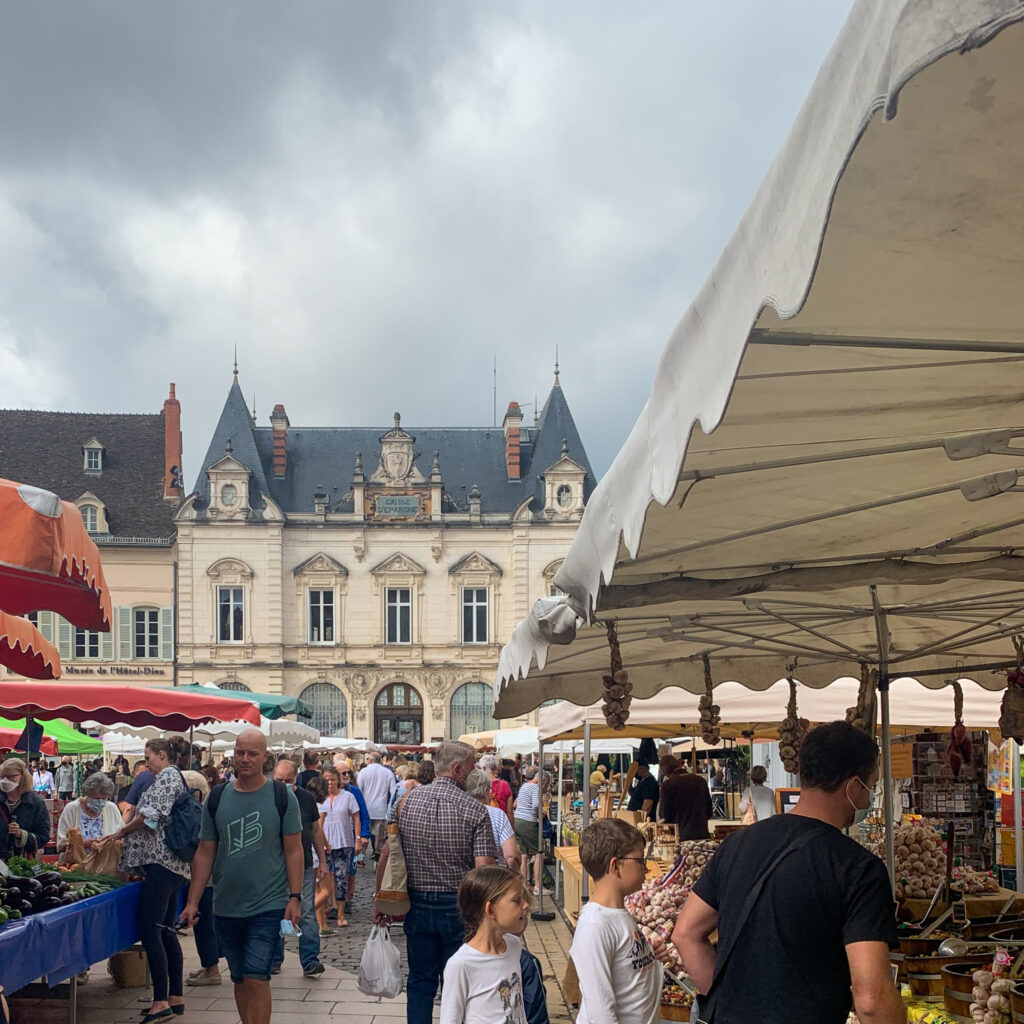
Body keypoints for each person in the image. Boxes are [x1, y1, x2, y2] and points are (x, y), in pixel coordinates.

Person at [671, 721, 903, 1024]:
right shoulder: (858, 868)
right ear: (853, 786)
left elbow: (685, 934)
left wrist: (727, 1001)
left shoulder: (736, 844)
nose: (867, 799)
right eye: (870, 787)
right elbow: (872, 1000)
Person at [180, 728, 303, 1024]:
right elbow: (205, 853)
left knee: (256, 976)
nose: (244, 759)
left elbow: (294, 851)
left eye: (252, 753)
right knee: (239, 978)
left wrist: (295, 897)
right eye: (240, 752)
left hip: (268, 903)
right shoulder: (218, 797)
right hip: (226, 904)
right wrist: (193, 901)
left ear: (265, 757)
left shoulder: (281, 796)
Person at [374, 740, 497, 1024]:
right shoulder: (476, 811)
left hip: (416, 903)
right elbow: (483, 869)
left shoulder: (406, 801)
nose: (473, 772)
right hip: (459, 907)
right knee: (459, 983)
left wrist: (380, 899)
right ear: (456, 770)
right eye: (471, 767)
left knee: (420, 980)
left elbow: (386, 854)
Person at [98, 736, 192, 1023]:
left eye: (148, 756)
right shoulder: (171, 776)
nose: (146, 762)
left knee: (151, 929)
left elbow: (150, 816)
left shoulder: (166, 776)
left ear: (162, 755)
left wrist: (120, 832)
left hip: (162, 863)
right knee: (165, 930)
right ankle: (174, 997)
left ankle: (160, 1001)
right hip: (171, 865)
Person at [570, 818, 665, 1024]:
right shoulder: (594, 926)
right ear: (615, 866)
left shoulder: (617, 914)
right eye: (640, 861)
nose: (646, 868)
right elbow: (600, 1011)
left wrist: (653, 958)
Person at [440, 865, 533, 1024]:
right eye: (517, 900)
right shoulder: (461, 965)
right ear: (490, 910)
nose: (525, 905)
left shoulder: (514, 946)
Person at [271, 759, 328, 978]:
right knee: (275, 910)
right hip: (274, 864)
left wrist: (322, 861)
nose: (283, 783)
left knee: (306, 912)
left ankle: (310, 960)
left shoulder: (305, 798)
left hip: (302, 863)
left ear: (296, 778)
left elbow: (315, 831)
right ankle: (274, 958)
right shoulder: (268, 796)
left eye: (288, 780)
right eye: (279, 780)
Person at [317, 766, 360, 929]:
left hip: (344, 843)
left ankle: (340, 914)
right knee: (323, 880)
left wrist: (357, 839)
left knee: (341, 879)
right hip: (323, 845)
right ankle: (324, 909)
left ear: (338, 780)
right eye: (327, 779)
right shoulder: (319, 798)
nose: (330, 783)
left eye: (333, 779)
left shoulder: (348, 797)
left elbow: (356, 819)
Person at [467, 768, 521, 872]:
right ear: (486, 792)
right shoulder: (497, 814)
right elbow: (511, 856)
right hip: (495, 878)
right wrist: (514, 876)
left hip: (466, 880)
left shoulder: (457, 812)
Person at [56, 771, 121, 857]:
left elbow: (121, 836)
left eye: (104, 799)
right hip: (76, 864)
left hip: (105, 864)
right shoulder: (72, 809)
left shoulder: (111, 808)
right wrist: (82, 843)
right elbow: (61, 845)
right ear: (87, 794)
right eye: (96, 799)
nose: (100, 802)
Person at [339, 764, 373, 914]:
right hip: (335, 837)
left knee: (351, 869)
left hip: (352, 837)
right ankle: (336, 901)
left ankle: (347, 898)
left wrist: (364, 835)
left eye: (348, 772)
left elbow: (363, 814)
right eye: (343, 773)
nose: (346, 775)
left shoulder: (355, 792)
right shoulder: (326, 792)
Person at [0, 758, 52, 855]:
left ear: (22, 777)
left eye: (11, 777)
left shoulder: (36, 803)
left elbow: (43, 837)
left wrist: (22, 835)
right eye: (2, 777)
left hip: (23, 862)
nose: (5, 780)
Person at [659, 755, 713, 841]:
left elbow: (664, 815)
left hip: (680, 836)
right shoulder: (700, 781)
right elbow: (709, 810)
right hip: (702, 834)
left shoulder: (667, 785)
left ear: (664, 771)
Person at [513, 766, 546, 896]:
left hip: (518, 820)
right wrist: (540, 814)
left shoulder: (524, 786)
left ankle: (524, 884)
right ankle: (538, 886)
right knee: (540, 852)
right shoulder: (535, 787)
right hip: (528, 821)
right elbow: (536, 805)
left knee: (523, 854)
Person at [357, 751, 397, 853]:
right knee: (379, 838)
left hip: (365, 809)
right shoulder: (388, 773)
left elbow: (359, 791)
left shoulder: (363, 772)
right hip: (381, 809)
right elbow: (393, 792)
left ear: (370, 760)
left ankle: (361, 857)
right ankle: (377, 860)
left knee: (363, 835)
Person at [479, 754, 514, 825]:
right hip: (501, 823)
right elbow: (509, 812)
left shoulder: (478, 784)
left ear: (484, 768)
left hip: (484, 824)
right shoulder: (504, 785)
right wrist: (512, 829)